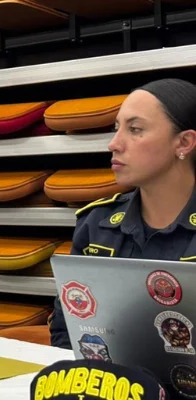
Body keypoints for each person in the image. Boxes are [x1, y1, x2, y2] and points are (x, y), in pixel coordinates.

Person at [50, 78, 196, 349]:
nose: (114, 144)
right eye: (116, 128)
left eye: (135, 129)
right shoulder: (96, 224)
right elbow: (66, 331)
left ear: (184, 142)